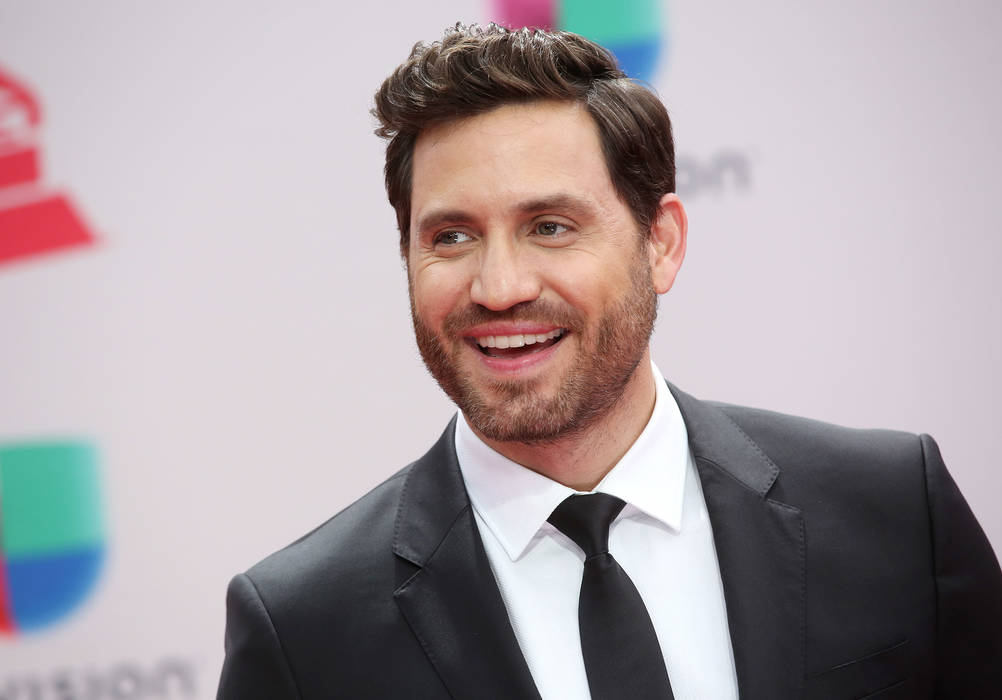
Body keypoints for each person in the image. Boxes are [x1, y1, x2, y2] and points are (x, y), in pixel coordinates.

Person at [216, 24, 1002, 699]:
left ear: (661, 243)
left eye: (550, 226)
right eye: (451, 237)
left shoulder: (894, 511)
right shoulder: (303, 631)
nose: (499, 287)